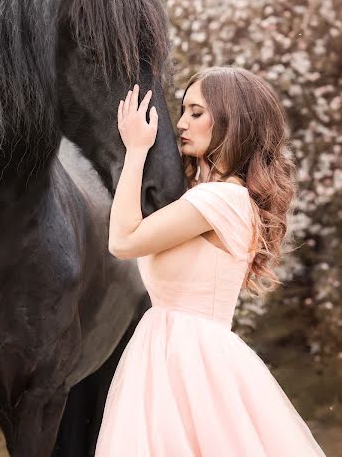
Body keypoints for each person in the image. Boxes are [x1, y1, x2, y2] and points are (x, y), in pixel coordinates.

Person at [94, 66, 326, 456]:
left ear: (232, 121)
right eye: (183, 111)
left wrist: (136, 151)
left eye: (196, 112)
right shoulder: (211, 195)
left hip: (190, 364)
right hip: (172, 355)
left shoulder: (220, 200)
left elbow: (122, 240)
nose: (182, 123)